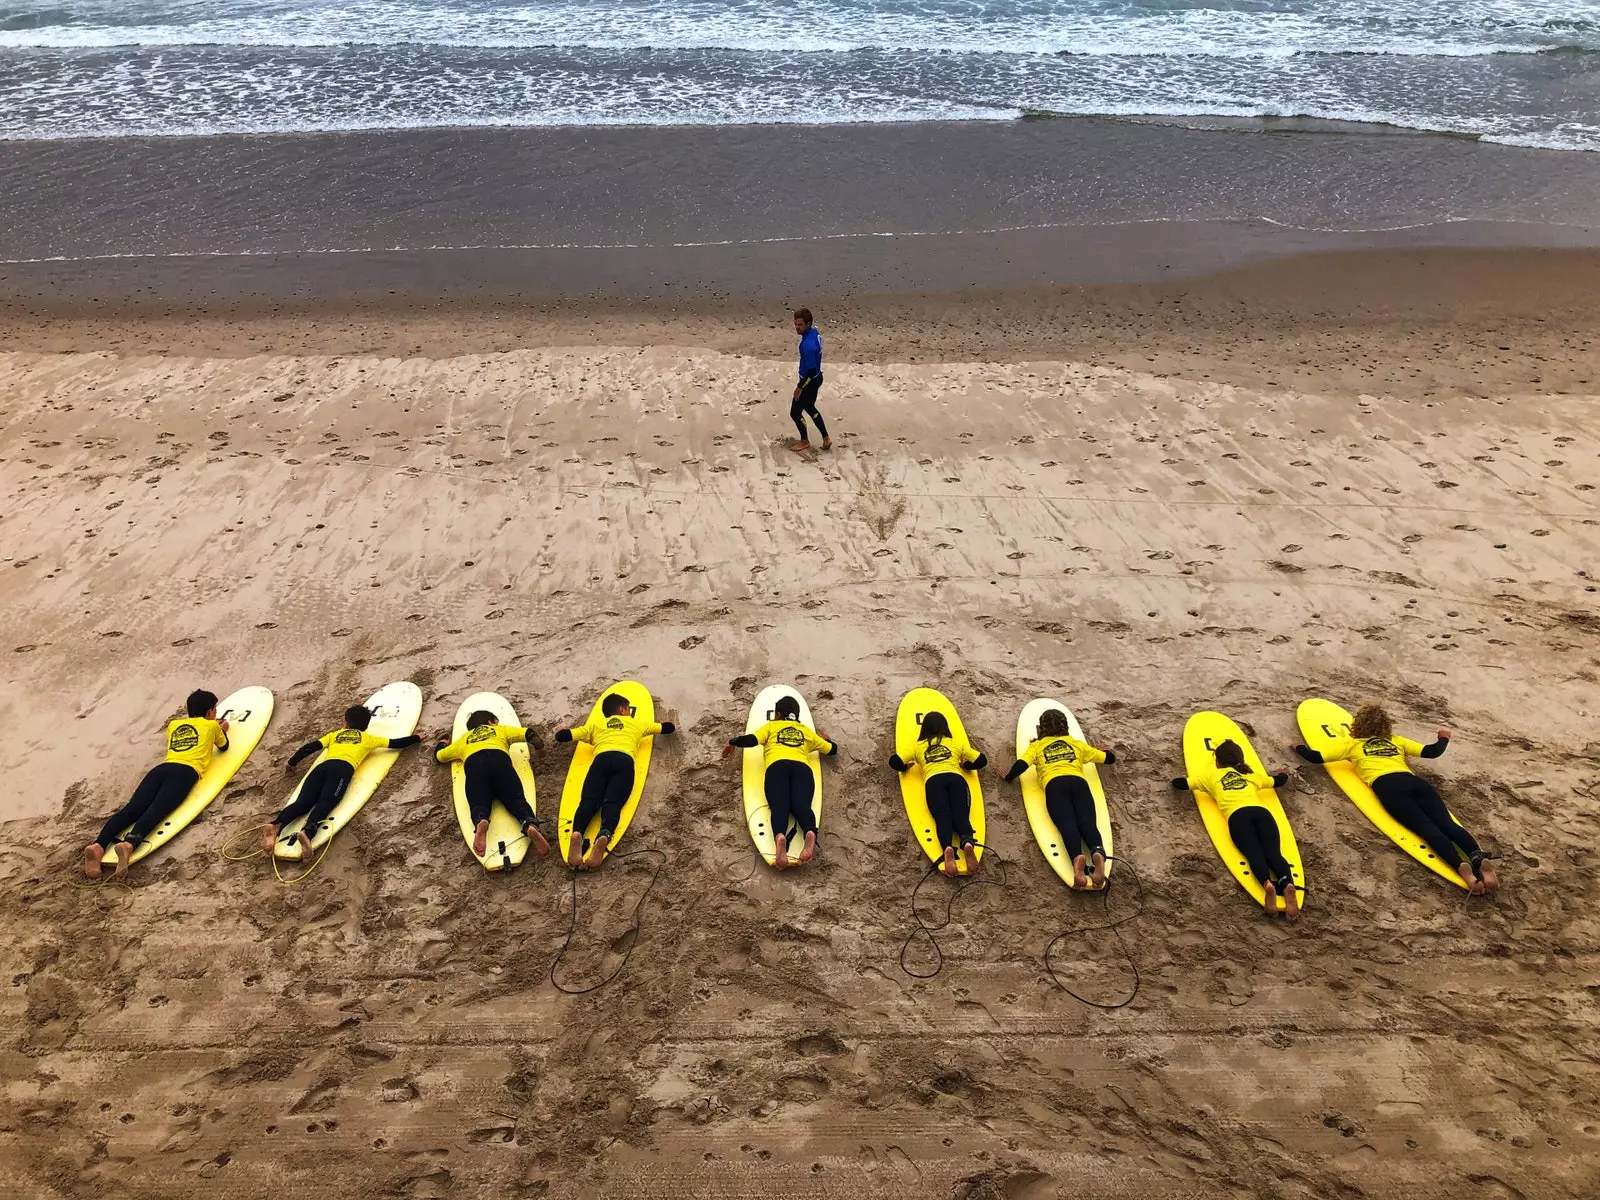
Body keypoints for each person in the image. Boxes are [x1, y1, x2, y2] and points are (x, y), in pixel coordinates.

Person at [1294, 705, 1497, 894]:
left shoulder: (1353, 745)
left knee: (1425, 827)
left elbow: (1315, 757)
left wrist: (1297, 747)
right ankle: (1478, 858)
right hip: (1416, 783)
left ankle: (1460, 866)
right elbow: (1432, 751)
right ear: (1386, 726)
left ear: (1358, 726)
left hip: (1389, 787)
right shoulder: (1396, 740)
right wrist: (1443, 737)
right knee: (1447, 823)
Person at [84, 689, 228, 878]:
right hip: (185, 773)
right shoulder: (212, 726)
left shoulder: (174, 725)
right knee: (156, 810)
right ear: (210, 712)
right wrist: (222, 728)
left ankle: (98, 845)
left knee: (133, 809)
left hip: (161, 770)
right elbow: (224, 747)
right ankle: (129, 845)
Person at [262, 704, 421, 857]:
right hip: (341, 771)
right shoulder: (368, 739)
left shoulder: (335, 735)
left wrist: (292, 762)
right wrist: (416, 737)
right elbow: (396, 743)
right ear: (365, 726)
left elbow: (309, 748)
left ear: (345, 723)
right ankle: (307, 833)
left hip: (321, 768)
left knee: (303, 802)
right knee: (326, 802)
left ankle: (276, 825)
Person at [1173, 740, 1300, 920]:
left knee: (1254, 854)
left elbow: (1181, 784)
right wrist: (1283, 774)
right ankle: (1287, 884)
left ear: (1218, 761)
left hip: (1238, 817)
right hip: (1263, 814)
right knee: (1274, 854)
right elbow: (1278, 781)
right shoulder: (1250, 775)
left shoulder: (1210, 777)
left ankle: (1267, 885)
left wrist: (1176, 780)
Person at [554, 693, 675, 869]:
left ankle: (577, 833)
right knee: (613, 802)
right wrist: (666, 725)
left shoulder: (596, 725)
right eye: (627, 709)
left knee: (589, 800)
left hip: (601, 761)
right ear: (622, 709)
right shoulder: (636, 723)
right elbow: (666, 728)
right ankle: (604, 834)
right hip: (624, 761)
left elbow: (566, 736)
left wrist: (564, 733)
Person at [1002, 708, 1116, 889]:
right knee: (1087, 823)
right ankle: (1097, 852)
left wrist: (1008, 777)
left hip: (1055, 786)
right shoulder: (1076, 744)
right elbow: (1109, 759)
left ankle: (1077, 860)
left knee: (1067, 825)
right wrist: (1107, 751)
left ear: (1042, 728)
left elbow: (1021, 765)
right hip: (1079, 783)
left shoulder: (1037, 746)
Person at [721, 695, 838, 868]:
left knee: (780, 806)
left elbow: (752, 740)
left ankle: (780, 838)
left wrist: (734, 742)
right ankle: (810, 832)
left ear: (778, 714)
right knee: (802, 805)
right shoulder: (806, 731)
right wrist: (827, 740)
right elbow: (832, 750)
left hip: (777, 768)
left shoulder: (772, 726)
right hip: (802, 770)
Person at [435, 711, 551, 859]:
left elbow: (440, 757)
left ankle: (481, 821)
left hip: (475, 766)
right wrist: (540, 749)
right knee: (516, 800)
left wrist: (441, 744)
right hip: (500, 762)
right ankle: (530, 824)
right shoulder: (500, 730)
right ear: (491, 722)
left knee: (478, 803)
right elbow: (530, 734)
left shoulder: (464, 739)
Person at [889, 712, 987, 875]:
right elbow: (982, 760)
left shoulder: (918, 746)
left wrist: (904, 768)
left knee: (943, 818)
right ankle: (967, 843)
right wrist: (966, 766)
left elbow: (894, 761)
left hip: (934, 782)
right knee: (961, 816)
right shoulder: (955, 743)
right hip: (956, 780)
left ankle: (948, 848)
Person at [790, 307, 831, 453]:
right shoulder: (814, 333)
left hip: (809, 381)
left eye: (800, 325)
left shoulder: (807, 346)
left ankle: (804, 440)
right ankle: (826, 437)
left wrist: (800, 387)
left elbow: (811, 370)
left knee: (795, 413)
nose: (797, 327)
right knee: (810, 408)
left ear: (808, 324)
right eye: (796, 324)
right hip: (817, 378)